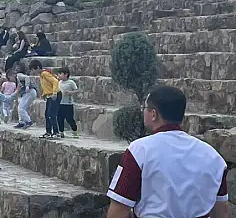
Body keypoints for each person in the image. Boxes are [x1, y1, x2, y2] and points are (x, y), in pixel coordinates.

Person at [106, 86, 229, 218]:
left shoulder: (140, 150)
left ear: (153, 114)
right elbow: (221, 212)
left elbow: (118, 210)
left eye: (145, 109)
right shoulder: (213, 157)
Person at [29, 60, 61, 138]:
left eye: (33, 70)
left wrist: (54, 93)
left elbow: (55, 82)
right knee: (47, 114)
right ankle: (48, 132)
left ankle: (56, 133)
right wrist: (44, 94)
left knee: (51, 114)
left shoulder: (44, 74)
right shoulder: (42, 75)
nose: (33, 72)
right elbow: (47, 85)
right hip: (49, 95)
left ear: (37, 68)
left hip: (54, 95)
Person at [55, 67, 79, 138]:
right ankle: (61, 132)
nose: (59, 75)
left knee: (69, 119)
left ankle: (75, 131)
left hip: (68, 104)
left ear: (66, 74)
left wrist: (70, 92)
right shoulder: (59, 82)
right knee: (59, 118)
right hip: (59, 103)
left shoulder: (71, 82)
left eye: (60, 74)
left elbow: (77, 90)